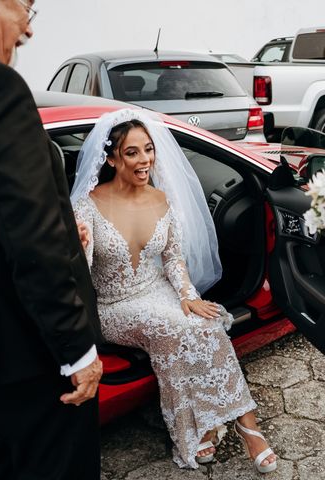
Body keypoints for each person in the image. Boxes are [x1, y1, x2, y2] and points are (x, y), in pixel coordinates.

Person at [71, 108, 277, 472]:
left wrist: (187, 296)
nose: (145, 159)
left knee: (207, 322)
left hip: (159, 291)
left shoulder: (160, 198)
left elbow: (172, 258)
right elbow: (79, 273)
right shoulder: (86, 206)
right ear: (112, 158)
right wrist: (75, 243)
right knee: (175, 329)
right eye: (132, 152)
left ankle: (225, 426)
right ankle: (219, 429)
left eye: (148, 149)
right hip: (115, 306)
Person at [0, 1, 103, 479]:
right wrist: (76, 350)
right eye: (27, 7)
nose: (29, 31)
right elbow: (33, 242)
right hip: (26, 358)